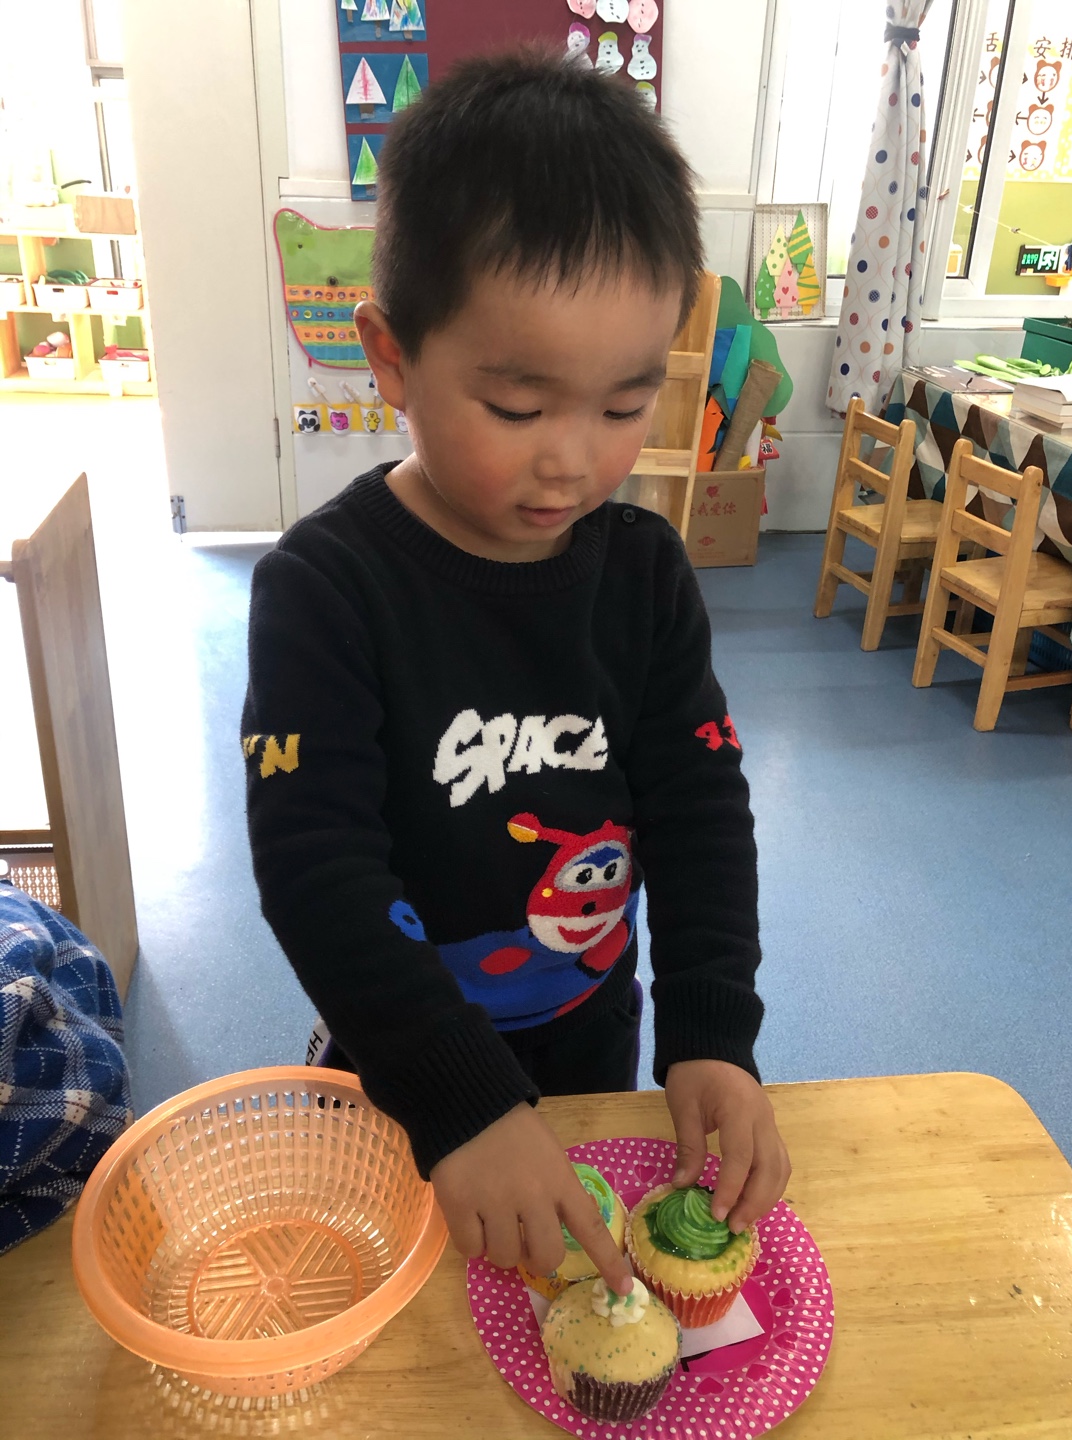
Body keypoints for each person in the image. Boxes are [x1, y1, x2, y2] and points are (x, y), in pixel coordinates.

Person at [243, 46, 789, 1298]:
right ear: (392, 357)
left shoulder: (643, 573)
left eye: (623, 405)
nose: (574, 462)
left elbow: (700, 809)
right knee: (413, 1326)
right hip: (400, 1064)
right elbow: (317, 870)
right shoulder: (325, 589)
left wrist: (713, 1030)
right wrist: (459, 1103)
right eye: (519, 406)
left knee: (569, 1313)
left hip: (591, 1034)